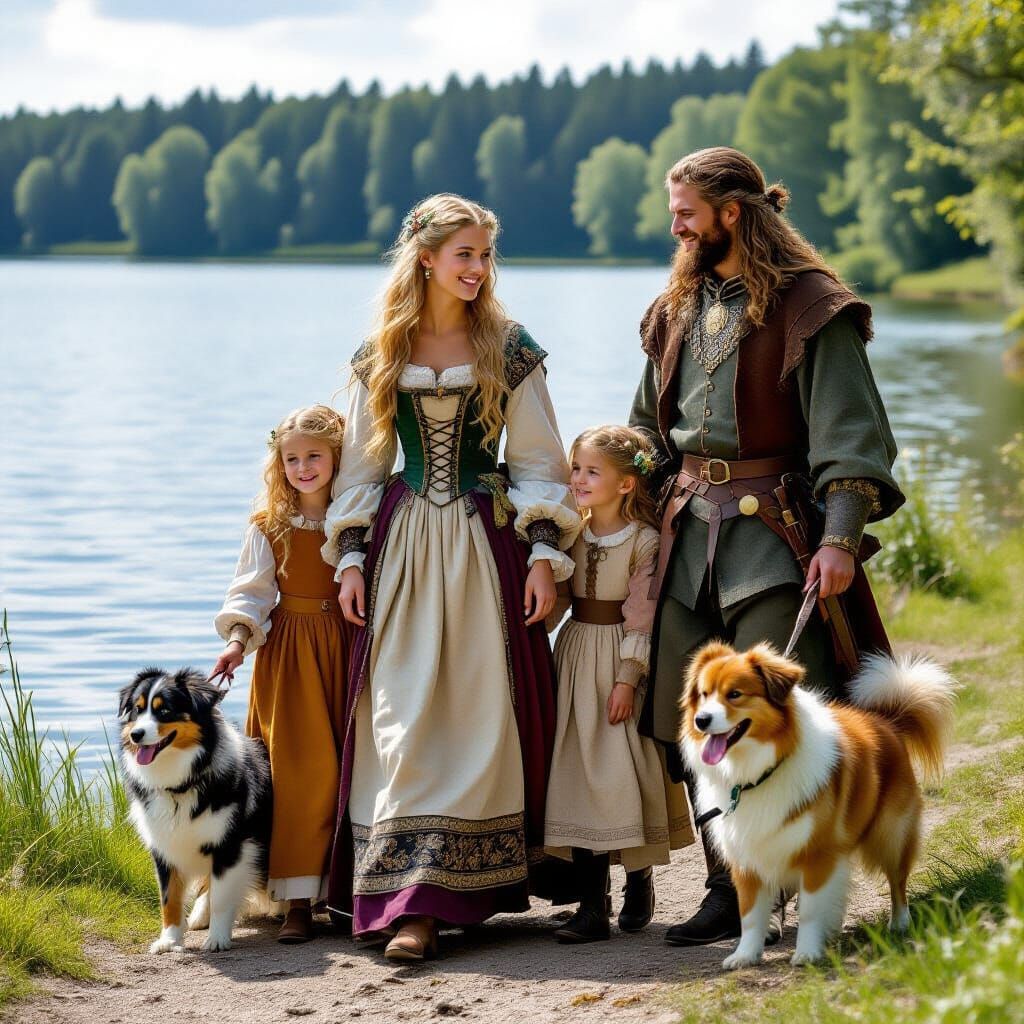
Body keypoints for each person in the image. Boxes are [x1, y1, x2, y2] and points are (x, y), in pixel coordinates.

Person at [628, 147, 904, 947]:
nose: (676, 228)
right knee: (691, 715)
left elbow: (851, 436)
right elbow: (647, 426)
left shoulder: (812, 306)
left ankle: (789, 883)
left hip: (774, 539)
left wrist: (840, 537)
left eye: (686, 213)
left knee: (786, 716)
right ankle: (731, 886)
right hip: (685, 538)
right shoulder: (677, 305)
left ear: (732, 213)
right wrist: (614, 487)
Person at [322, 194, 580, 962]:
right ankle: (407, 895)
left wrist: (542, 552)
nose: (478, 268)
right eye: (465, 254)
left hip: (483, 547)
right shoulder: (382, 352)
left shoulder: (509, 348)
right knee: (399, 718)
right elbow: (362, 467)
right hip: (403, 548)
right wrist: (351, 557)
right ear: (426, 257)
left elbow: (538, 460)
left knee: (479, 713)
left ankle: (442, 902)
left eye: (486, 255)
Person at [544, 425, 693, 944]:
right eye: (576, 468)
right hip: (574, 655)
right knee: (576, 772)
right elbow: (560, 600)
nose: (578, 479)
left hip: (618, 662)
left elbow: (641, 618)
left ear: (626, 484)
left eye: (592, 471)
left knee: (621, 772)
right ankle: (592, 905)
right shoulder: (572, 533)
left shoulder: (644, 541)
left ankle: (638, 881)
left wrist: (628, 679)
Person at [211, 404, 351, 944]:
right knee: (297, 774)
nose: (303, 468)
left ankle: (345, 893)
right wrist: (236, 641)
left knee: (350, 770)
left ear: (338, 457)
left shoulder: (357, 519)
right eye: (292, 459)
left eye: (314, 456)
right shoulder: (269, 526)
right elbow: (252, 592)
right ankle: (294, 901)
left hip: (349, 649)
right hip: (291, 659)